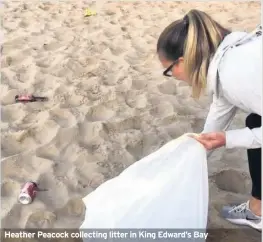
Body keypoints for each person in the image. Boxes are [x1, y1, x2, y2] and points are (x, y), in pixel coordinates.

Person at [157, 9, 262, 231]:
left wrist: (228, 139)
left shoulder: (236, 74)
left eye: (168, 70)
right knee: (254, 121)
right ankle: (259, 208)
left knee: (254, 127)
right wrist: (193, 153)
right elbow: (220, 111)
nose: (173, 77)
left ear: (182, 61)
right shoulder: (226, 62)